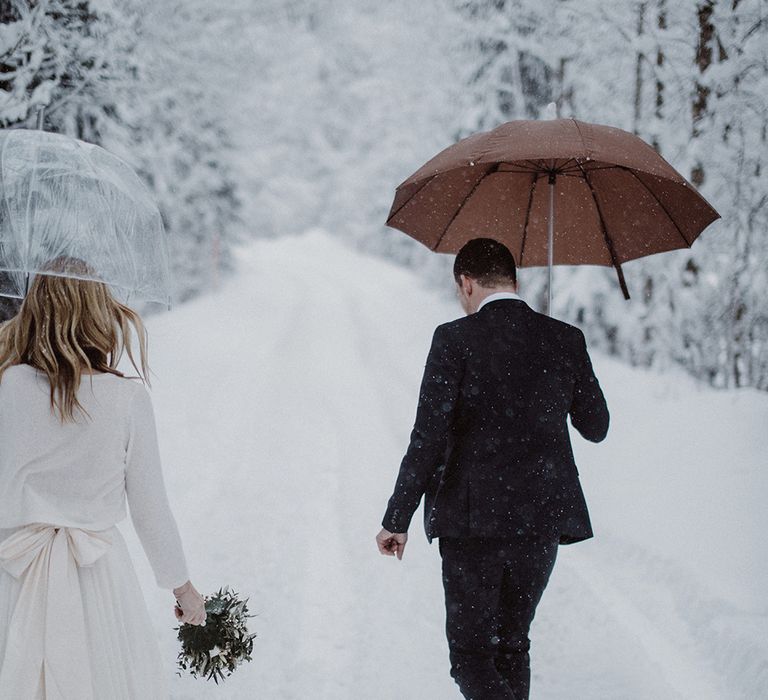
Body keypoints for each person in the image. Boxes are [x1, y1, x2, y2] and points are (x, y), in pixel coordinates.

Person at [376, 238, 609, 700]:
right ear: (514, 280)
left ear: (465, 283)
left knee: (471, 657)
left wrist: (396, 519)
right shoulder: (564, 339)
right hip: (540, 520)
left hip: (472, 523)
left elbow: (428, 437)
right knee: (512, 645)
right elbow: (596, 426)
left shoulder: (454, 339)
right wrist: (555, 369)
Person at [0, 260, 206, 699]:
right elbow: (151, 510)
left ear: (36, 307)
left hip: (10, 570)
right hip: (96, 579)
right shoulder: (126, 397)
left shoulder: (7, 385)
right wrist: (183, 587)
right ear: (99, 311)